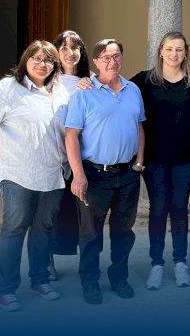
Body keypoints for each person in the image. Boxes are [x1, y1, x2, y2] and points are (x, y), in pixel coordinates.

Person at [0, 40, 70, 312]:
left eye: (48, 60)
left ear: (55, 66)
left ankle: (40, 281)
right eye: (36, 58)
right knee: (14, 229)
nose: (42, 64)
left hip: (52, 174)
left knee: (43, 229)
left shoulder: (60, 91)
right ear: (25, 60)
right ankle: (6, 290)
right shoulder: (7, 88)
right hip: (17, 174)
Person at [65, 39, 146, 305]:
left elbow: (139, 126)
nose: (112, 61)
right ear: (96, 62)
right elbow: (71, 136)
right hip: (94, 175)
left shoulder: (133, 90)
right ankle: (90, 282)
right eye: (106, 57)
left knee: (124, 231)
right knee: (90, 233)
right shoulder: (83, 93)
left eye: (117, 56)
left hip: (128, 174)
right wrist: (78, 175)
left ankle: (119, 278)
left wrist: (139, 162)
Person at [130, 31, 190, 290]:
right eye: (169, 49)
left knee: (179, 207)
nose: (174, 54)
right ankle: (156, 263)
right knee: (158, 207)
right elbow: (116, 92)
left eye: (179, 49)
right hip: (154, 156)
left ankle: (180, 262)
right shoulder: (144, 80)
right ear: (161, 51)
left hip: (187, 157)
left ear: (185, 52)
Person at [47, 30, 90, 282]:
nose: (69, 52)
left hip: (82, 158)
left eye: (75, 47)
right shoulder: (47, 81)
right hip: (53, 158)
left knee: (82, 213)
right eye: (63, 48)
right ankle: (46, 262)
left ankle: (88, 264)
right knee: (49, 212)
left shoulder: (91, 80)